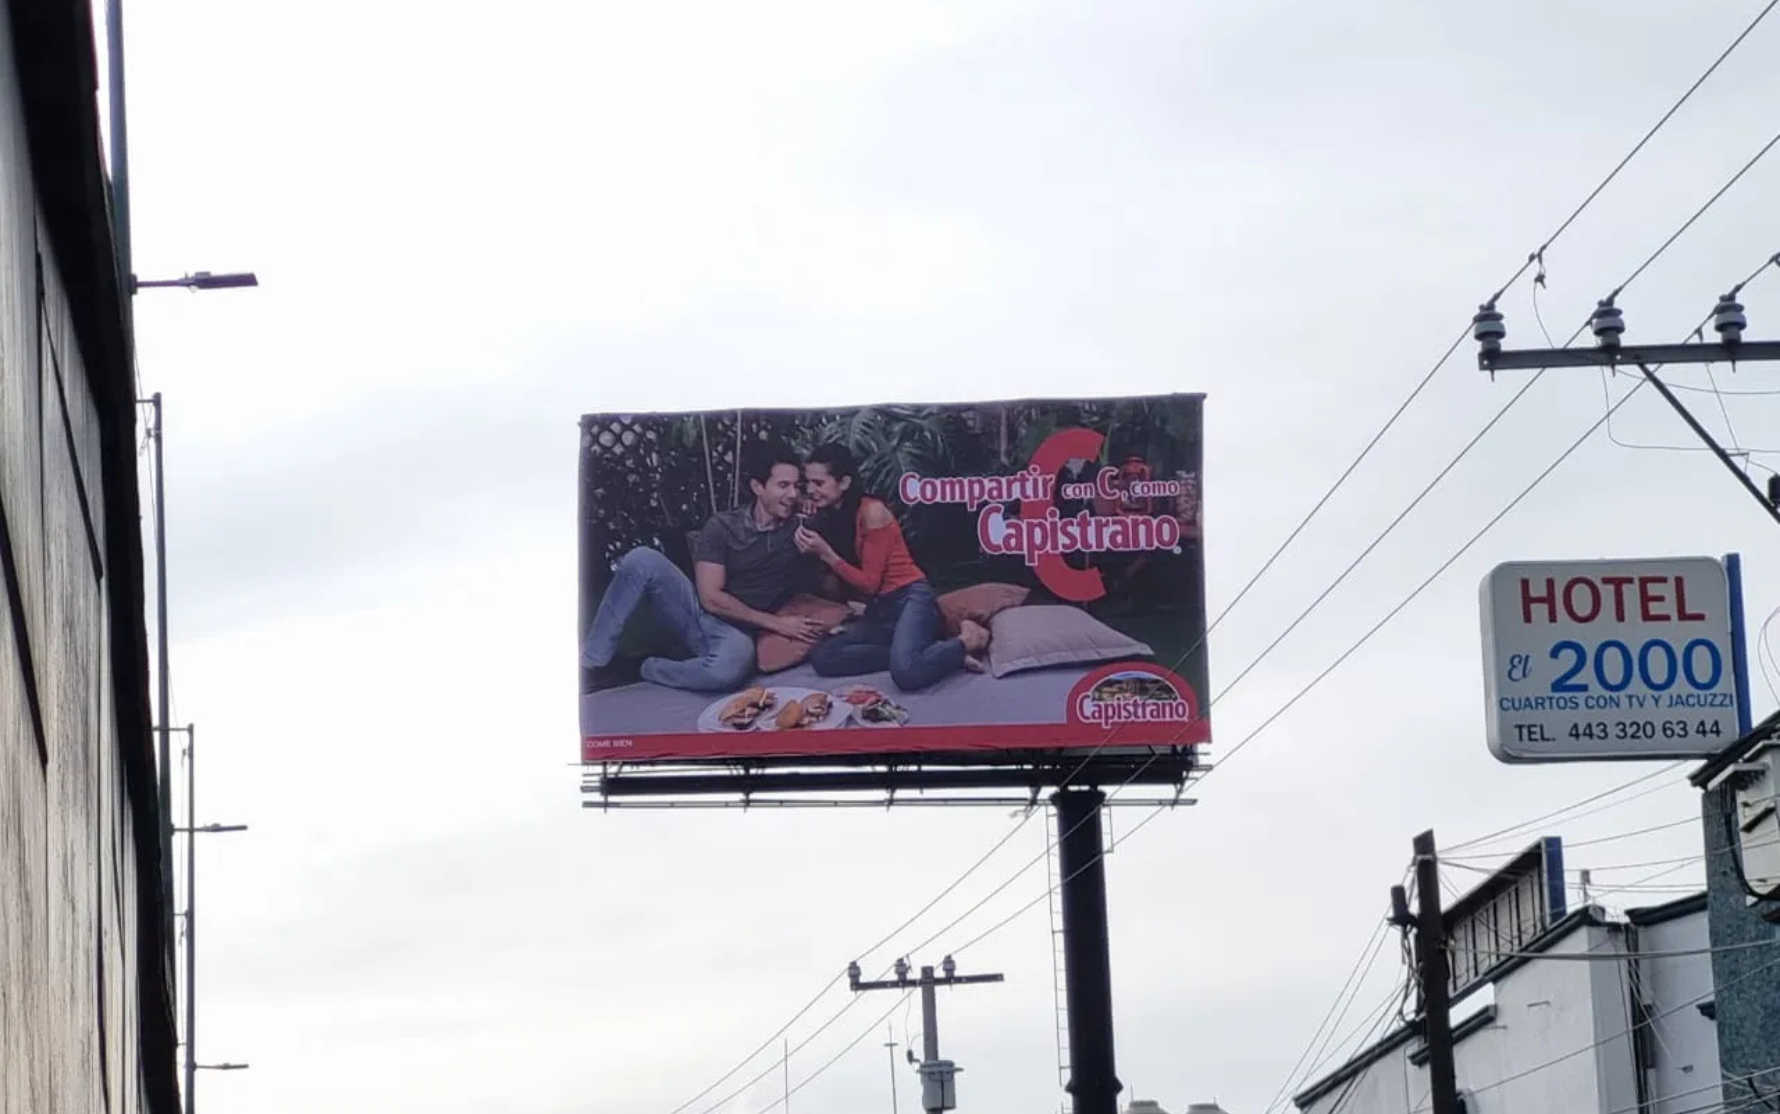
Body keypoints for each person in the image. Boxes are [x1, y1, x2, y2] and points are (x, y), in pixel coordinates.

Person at [580, 440, 827, 692]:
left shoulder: (800, 527)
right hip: (700, 616)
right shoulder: (723, 527)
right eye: (783, 486)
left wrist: (813, 509)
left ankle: (643, 668)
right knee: (641, 559)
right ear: (758, 487)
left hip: (737, 635)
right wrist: (777, 623)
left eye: (797, 486)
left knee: (728, 668)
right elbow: (710, 598)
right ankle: (592, 664)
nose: (793, 494)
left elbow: (831, 526)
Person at [794, 443, 989, 691]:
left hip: (909, 598)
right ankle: (934, 655)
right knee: (824, 656)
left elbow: (870, 584)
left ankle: (968, 639)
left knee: (906, 674)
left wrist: (826, 554)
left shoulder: (873, 512)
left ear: (844, 483)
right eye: (808, 483)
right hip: (881, 611)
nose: (811, 490)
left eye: (819, 483)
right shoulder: (833, 515)